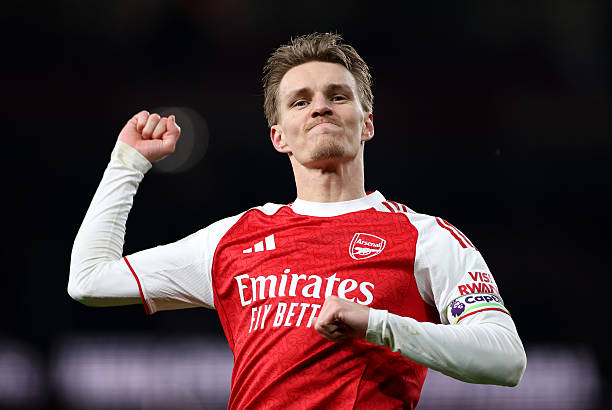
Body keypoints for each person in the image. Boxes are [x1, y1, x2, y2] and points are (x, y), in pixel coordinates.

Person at [69, 32, 526, 409]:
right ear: (279, 137)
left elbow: (506, 359)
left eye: (337, 96)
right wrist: (126, 164)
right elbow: (89, 280)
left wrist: (377, 324)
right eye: (300, 102)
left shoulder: (426, 238)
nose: (320, 107)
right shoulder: (233, 239)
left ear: (367, 124)